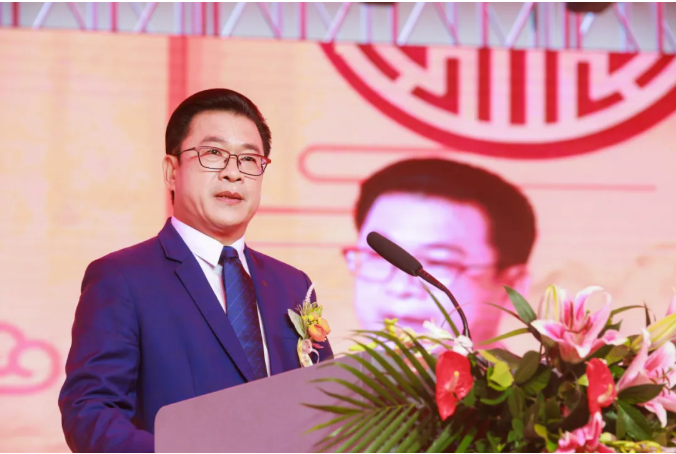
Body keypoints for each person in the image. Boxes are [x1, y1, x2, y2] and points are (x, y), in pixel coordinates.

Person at [59, 88, 333, 453]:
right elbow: (90, 413)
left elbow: (330, 409)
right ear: (172, 172)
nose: (233, 173)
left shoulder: (292, 284)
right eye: (213, 154)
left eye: (249, 159)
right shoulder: (122, 279)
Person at [344, 158, 537, 345]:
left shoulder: (545, 369)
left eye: (438, 262)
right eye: (378, 256)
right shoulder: (329, 368)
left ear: (512, 288)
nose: (400, 287)